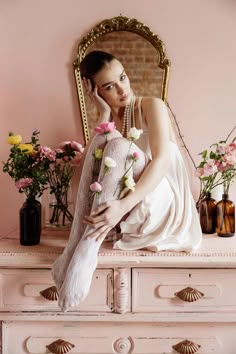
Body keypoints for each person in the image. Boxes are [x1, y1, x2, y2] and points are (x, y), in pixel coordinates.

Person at [51, 50, 202, 311]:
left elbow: (162, 161)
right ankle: (75, 247)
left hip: (162, 201)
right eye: (110, 87)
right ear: (97, 91)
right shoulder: (112, 117)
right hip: (128, 207)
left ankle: (87, 251)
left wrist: (122, 205)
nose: (123, 90)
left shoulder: (152, 105)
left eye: (123, 77)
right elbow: (89, 173)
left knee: (118, 145)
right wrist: (103, 113)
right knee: (103, 140)